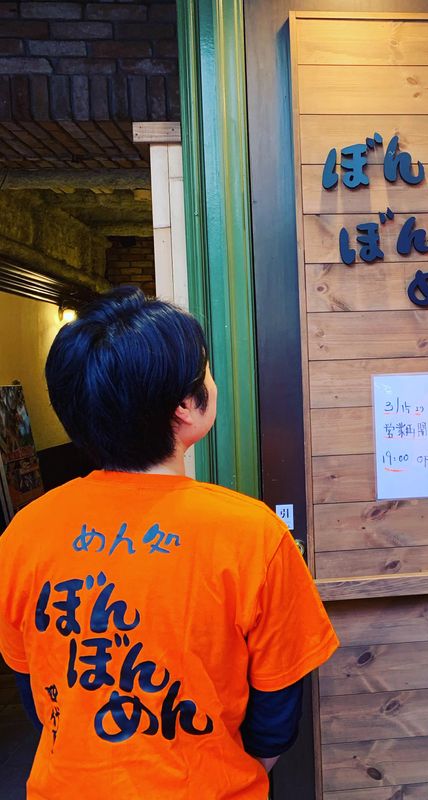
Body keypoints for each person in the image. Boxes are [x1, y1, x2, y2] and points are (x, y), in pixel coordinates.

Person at [0, 288, 338, 799]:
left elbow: (34, 691)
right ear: (185, 406)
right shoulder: (253, 534)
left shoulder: (25, 533)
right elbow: (277, 712)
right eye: (205, 370)